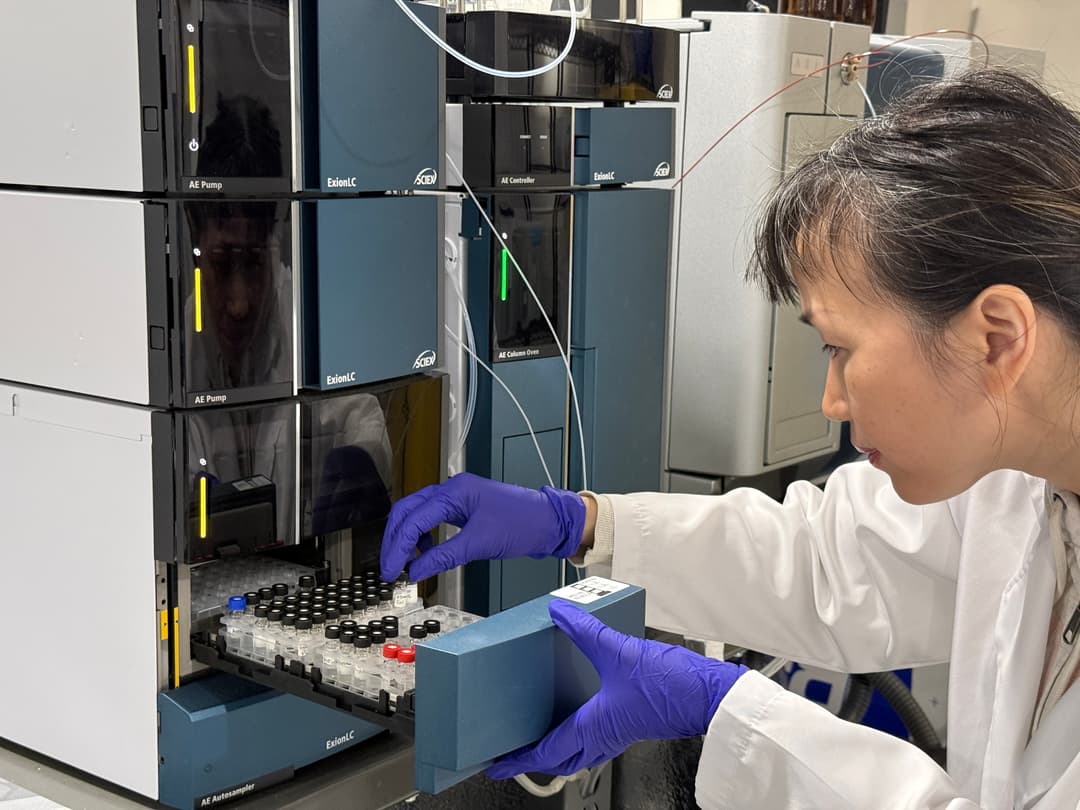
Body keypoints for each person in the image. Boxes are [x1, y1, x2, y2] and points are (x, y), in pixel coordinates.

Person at [381, 69, 1080, 808]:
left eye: (839, 347)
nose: (832, 401)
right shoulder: (1019, 484)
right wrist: (582, 523)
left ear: (997, 338)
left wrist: (728, 714)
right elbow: (832, 564)